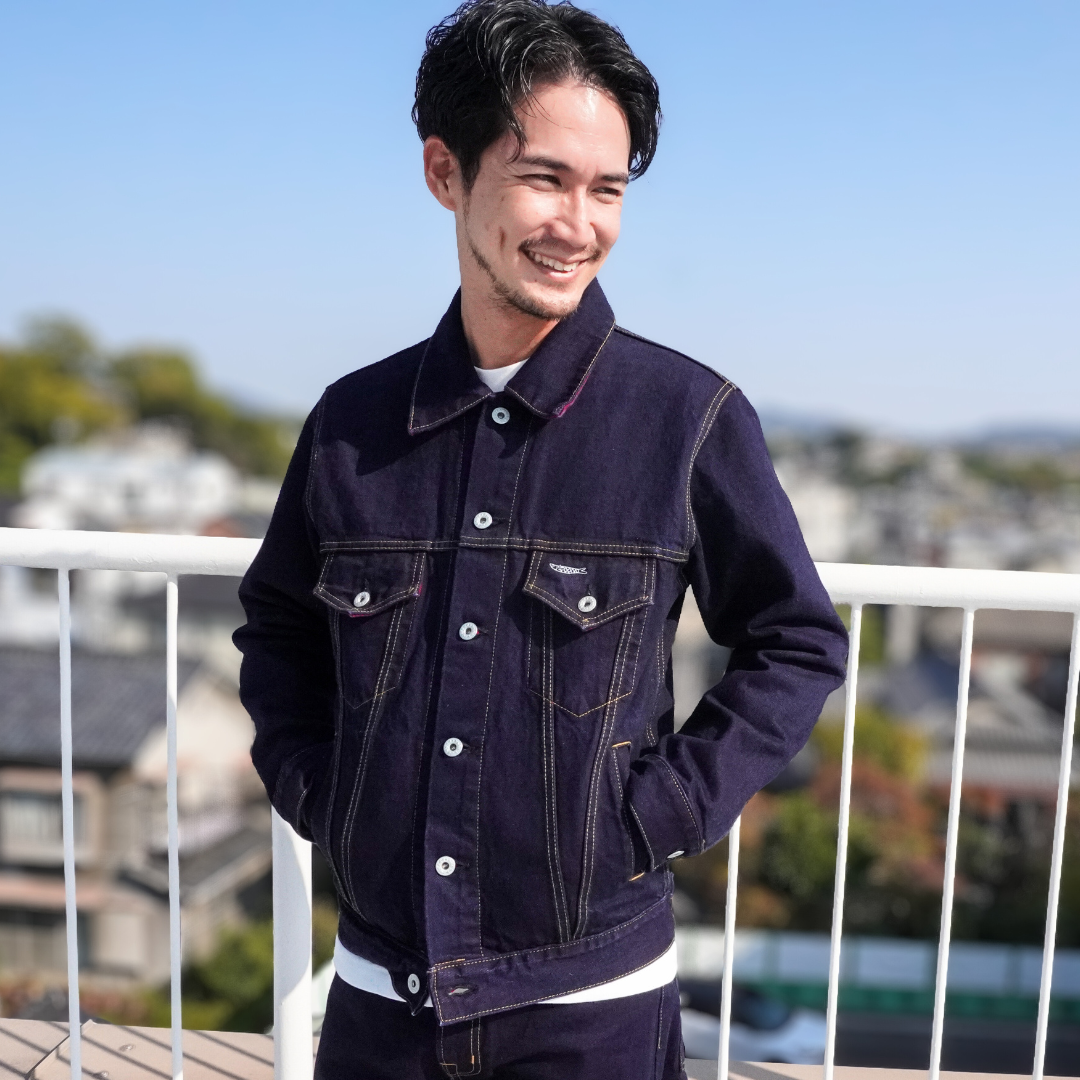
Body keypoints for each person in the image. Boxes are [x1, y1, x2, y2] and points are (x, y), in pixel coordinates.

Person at [234, 1, 849, 1076]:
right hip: (380, 1000)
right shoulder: (350, 424)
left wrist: (661, 813)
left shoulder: (686, 418)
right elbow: (278, 628)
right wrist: (325, 795)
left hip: (590, 1007)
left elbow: (796, 639)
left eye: (607, 189)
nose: (578, 224)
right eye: (544, 179)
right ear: (446, 172)